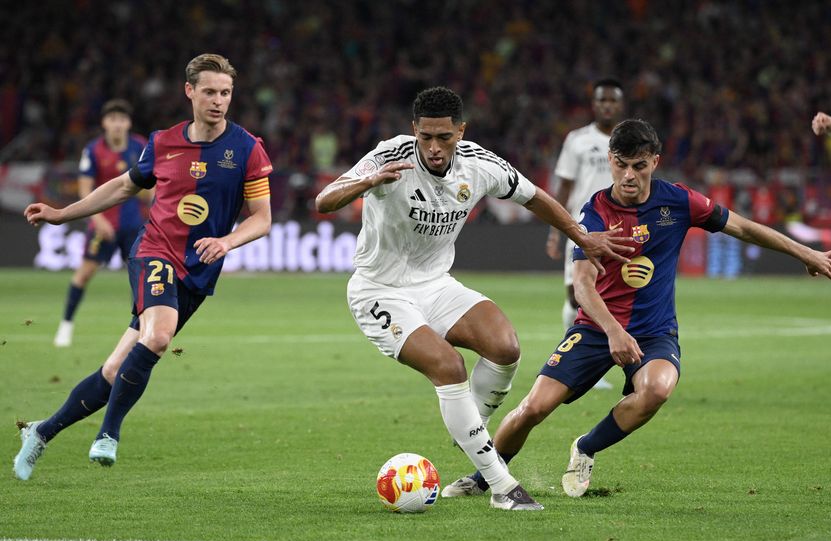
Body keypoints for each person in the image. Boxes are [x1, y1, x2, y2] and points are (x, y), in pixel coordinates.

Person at [442, 118, 831, 499]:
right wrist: (614, 331)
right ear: (611, 161)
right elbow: (581, 285)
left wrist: (803, 251)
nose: (628, 176)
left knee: (657, 390)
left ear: (654, 162)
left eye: (638, 166)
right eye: (621, 165)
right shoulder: (594, 211)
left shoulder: (679, 201)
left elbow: (744, 227)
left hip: (654, 333)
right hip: (596, 329)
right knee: (533, 408)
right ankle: (483, 478)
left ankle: (585, 447)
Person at [315, 86, 633, 511]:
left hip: (434, 283)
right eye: (425, 136)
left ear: (460, 131)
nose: (433, 147)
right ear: (414, 130)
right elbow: (323, 201)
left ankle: (470, 426)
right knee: (449, 366)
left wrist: (580, 236)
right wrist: (366, 181)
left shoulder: (480, 165)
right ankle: (502, 485)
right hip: (380, 289)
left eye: (443, 137)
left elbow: (535, 197)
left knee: (505, 346)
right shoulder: (389, 156)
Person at [14, 53, 273, 480]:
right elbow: (122, 187)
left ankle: (42, 432)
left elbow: (262, 218)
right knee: (159, 334)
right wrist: (62, 214)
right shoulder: (164, 142)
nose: (218, 100)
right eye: (209, 91)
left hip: (199, 270)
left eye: (225, 93)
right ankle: (108, 435)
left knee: (116, 369)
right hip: (154, 250)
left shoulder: (247, 149)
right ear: (189, 91)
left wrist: (227, 241)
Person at [546, 77, 625, 390]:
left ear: (621, 105)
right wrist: (556, 232)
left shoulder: (629, 139)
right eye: (602, 100)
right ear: (594, 105)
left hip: (624, 228)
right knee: (576, 293)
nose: (607, 105)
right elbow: (563, 188)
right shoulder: (577, 140)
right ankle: (580, 364)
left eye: (612, 101)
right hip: (583, 228)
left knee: (619, 294)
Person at [53, 99, 149, 347]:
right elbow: (85, 190)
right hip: (102, 226)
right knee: (84, 274)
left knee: (139, 281)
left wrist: (151, 194)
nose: (117, 124)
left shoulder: (141, 147)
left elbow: (152, 188)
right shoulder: (93, 150)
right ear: (104, 123)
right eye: (112, 119)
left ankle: (143, 331)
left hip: (134, 225)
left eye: (122, 119)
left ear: (128, 123)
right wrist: (98, 220)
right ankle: (66, 325)